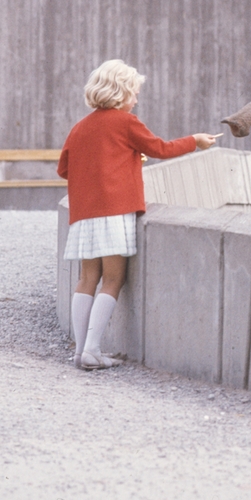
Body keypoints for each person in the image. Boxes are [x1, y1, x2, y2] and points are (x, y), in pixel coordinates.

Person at [59, 59, 219, 370]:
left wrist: (117, 160)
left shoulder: (79, 128)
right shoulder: (126, 122)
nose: (136, 99)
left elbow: (64, 168)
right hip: (114, 210)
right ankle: (93, 350)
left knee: (87, 278)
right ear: (120, 94)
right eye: (134, 92)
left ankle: (80, 350)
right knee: (114, 279)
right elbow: (160, 148)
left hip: (83, 214)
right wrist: (195, 142)